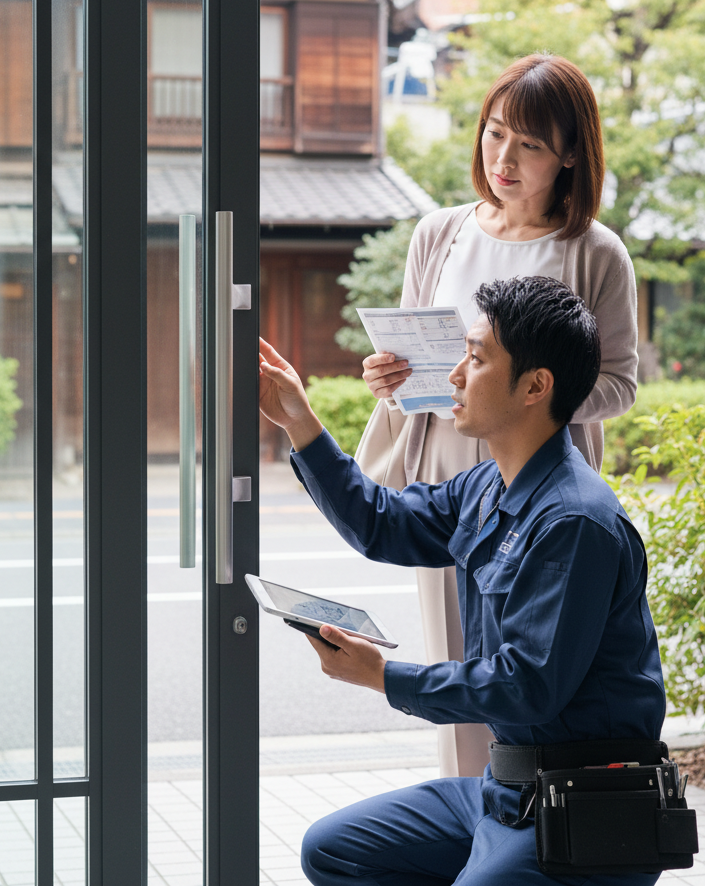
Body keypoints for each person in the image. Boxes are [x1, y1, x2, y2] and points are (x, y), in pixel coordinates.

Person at [258, 276, 665, 886]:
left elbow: (527, 686)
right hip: (508, 788)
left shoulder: (575, 521)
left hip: (586, 806)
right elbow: (381, 524)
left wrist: (383, 676)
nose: (453, 374)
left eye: (475, 358)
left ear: (535, 386)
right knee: (333, 848)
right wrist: (301, 423)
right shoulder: (487, 485)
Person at [357, 53, 640, 777]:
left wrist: (534, 394)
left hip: (539, 487)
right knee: (455, 656)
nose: (504, 158)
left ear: (572, 153)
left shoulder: (595, 252)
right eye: (494, 133)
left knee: (529, 671)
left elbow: (620, 384)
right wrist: (389, 376)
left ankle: (529, 817)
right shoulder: (440, 232)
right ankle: (466, 809)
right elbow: (415, 366)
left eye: (532, 144)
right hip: (446, 468)